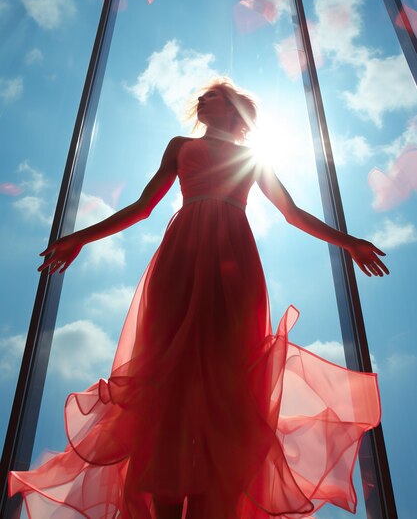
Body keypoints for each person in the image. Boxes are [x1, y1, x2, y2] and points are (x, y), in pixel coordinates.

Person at [9, 77, 388, 519]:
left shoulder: (252, 157)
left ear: (234, 111)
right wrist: (81, 238)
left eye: (214, 97)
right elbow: (142, 206)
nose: (203, 101)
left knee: (228, 381)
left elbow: (291, 212)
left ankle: (214, 500)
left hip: (235, 258)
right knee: (168, 376)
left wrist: (350, 242)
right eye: (204, 97)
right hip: (181, 254)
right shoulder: (178, 145)